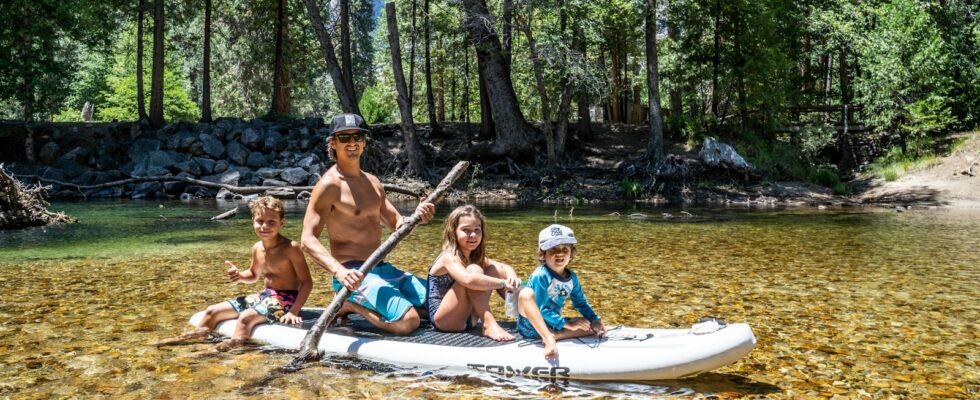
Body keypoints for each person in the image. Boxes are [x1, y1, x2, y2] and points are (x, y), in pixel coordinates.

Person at [301, 113, 435, 335]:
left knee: (444, 306)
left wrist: (417, 216)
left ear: (364, 142)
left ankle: (386, 304)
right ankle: (350, 305)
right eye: (344, 137)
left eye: (357, 136)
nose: (352, 142)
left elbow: (396, 224)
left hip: (383, 269)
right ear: (333, 143)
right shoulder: (329, 186)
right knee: (408, 322)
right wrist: (339, 272)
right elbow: (307, 239)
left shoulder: (373, 182)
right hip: (353, 275)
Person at [151, 196, 313, 352]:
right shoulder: (257, 247)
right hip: (264, 295)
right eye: (260, 221)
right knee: (212, 311)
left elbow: (307, 283)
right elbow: (253, 274)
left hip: (286, 298)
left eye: (271, 222)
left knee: (245, 318)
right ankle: (191, 338)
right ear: (253, 222)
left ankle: (221, 350)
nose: (265, 226)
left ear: (281, 223)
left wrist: (293, 311)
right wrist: (240, 276)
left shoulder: (291, 248)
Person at [427, 205, 521, 341]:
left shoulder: (473, 257)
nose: (473, 235)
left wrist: (511, 276)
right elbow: (468, 280)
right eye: (466, 230)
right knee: (474, 270)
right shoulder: (448, 257)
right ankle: (488, 323)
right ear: (453, 232)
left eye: (477, 230)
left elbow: (503, 267)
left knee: (493, 270)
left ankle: (523, 315)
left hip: (469, 318)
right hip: (445, 321)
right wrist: (502, 283)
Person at [516, 224, 606, 359]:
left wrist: (595, 319)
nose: (560, 253)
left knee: (593, 326)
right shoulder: (540, 276)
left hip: (553, 324)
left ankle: (557, 335)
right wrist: (566, 324)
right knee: (526, 293)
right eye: (553, 249)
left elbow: (581, 302)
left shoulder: (572, 278)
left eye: (565, 249)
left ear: (571, 253)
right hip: (531, 326)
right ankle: (548, 339)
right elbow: (540, 309)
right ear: (543, 254)